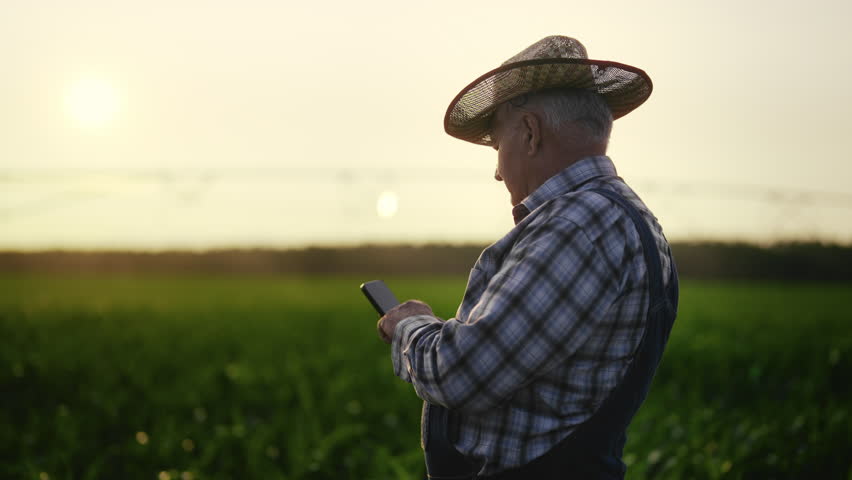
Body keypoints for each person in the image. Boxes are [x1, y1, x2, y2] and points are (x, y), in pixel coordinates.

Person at [377, 35, 679, 479]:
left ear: (531, 133)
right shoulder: (619, 215)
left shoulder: (579, 226)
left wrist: (409, 326)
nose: (497, 171)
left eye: (498, 144)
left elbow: (466, 374)